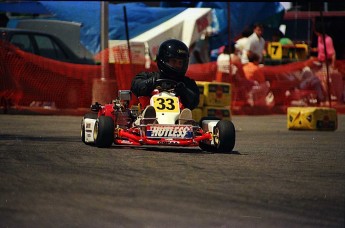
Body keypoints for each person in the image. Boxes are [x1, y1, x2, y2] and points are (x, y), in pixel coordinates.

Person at [131, 39, 200, 124]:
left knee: (186, 113)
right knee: (144, 116)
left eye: (180, 62)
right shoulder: (148, 76)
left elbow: (194, 101)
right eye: (174, 61)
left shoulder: (187, 83)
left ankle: (182, 122)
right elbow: (135, 86)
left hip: (177, 122)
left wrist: (184, 91)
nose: (177, 65)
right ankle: (149, 119)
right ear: (163, 60)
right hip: (147, 120)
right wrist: (151, 83)